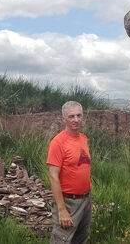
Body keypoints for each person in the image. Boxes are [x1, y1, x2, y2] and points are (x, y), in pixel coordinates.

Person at [46, 101, 92, 244]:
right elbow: (53, 176)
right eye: (71, 116)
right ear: (63, 119)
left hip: (86, 200)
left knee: (81, 238)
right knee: (62, 240)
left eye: (79, 115)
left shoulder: (83, 138)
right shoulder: (58, 142)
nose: (76, 119)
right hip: (68, 201)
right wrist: (62, 210)